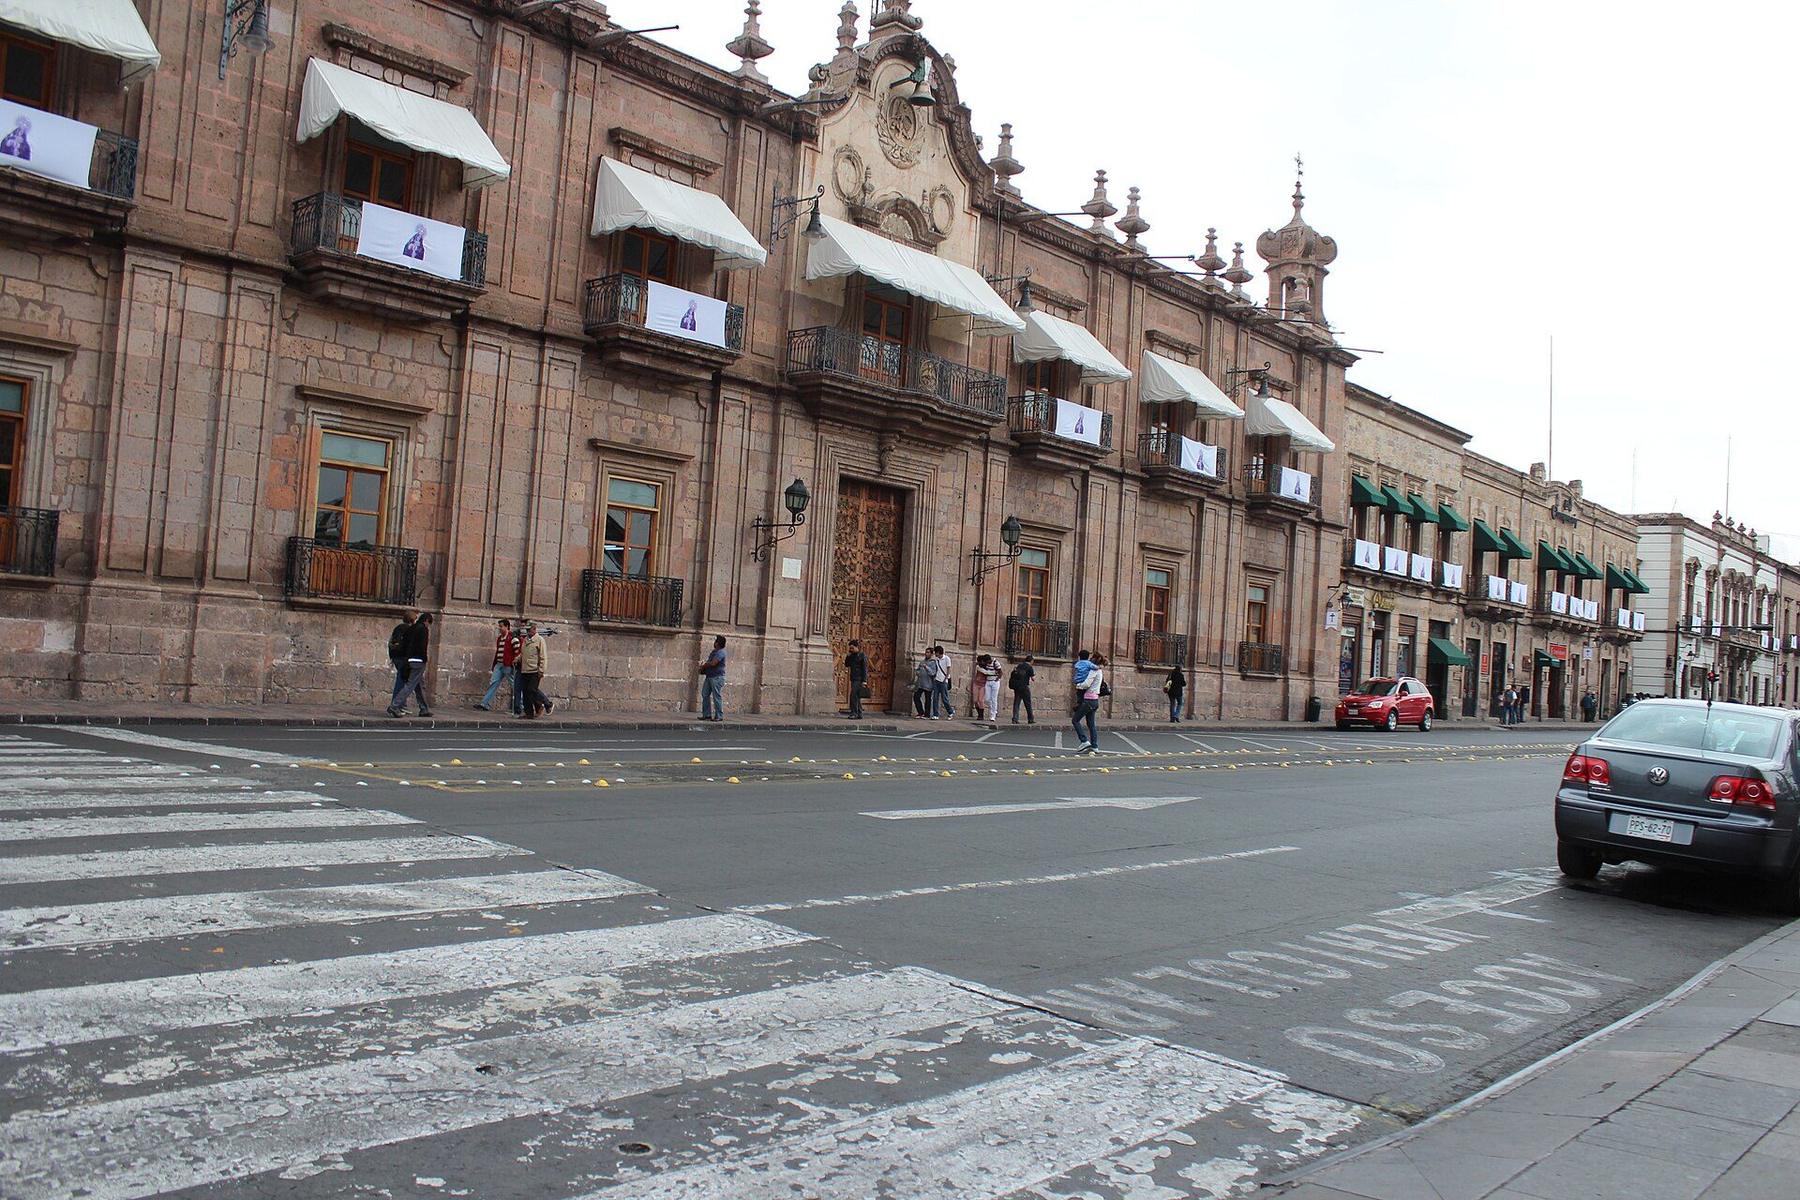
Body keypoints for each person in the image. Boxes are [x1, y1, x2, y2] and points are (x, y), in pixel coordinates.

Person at [387, 613, 433, 717]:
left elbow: (406, 645)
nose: (428, 625)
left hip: (408, 660)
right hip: (418, 660)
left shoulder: (411, 629)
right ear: (426, 620)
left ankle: (424, 708)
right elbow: (422, 646)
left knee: (419, 685)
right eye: (428, 623)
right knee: (410, 685)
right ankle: (394, 706)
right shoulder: (423, 629)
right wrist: (424, 659)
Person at [476, 618, 520, 712]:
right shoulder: (500, 638)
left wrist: (514, 663)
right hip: (499, 664)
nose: (499, 628)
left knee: (514, 685)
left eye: (501, 626)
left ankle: (521, 704)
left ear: (507, 627)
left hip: (508, 665)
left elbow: (517, 652)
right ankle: (484, 703)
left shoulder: (512, 638)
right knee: (493, 683)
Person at [1072, 653, 1107, 753]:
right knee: (1091, 724)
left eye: (1091, 658)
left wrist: (1078, 685)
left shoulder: (1093, 671)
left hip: (1088, 699)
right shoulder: (1100, 671)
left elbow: (1087, 684)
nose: (1090, 660)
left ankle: (1084, 741)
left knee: (1075, 720)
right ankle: (1094, 746)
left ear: (1094, 660)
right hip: (1095, 700)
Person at [516, 621, 548, 718]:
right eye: (526, 630)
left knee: (531, 690)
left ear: (534, 629)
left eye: (529, 630)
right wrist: (517, 659)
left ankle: (544, 704)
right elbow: (523, 653)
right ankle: (529, 713)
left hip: (535, 670)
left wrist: (541, 670)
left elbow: (543, 656)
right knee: (525, 692)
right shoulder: (526, 640)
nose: (527, 631)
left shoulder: (539, 640)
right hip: (525, 669)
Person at [386, 611, 416, 700]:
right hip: (402, 657)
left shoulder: (398, 628)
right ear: (412, 620)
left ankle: (401, 704)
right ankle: (396, 704)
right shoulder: (409, 629)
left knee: (402, 680)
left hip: (395, 656)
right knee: (401, 682)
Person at [698, 635, 727, 721]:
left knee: (716, 696)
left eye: (715, 641)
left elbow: (714, 663)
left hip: (717, 677)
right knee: (705, 694)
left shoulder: (721, 652)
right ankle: (707, 714)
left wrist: (705, 665)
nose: (714, 643)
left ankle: (719, 716)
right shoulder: (714, 652)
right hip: (710, 676)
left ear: (717, 643)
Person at [844, 639, 869, 720]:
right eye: (850, 648)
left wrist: (864, 681)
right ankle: (859, 713)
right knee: (857, 696)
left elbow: (865, 669)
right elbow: (847, 664)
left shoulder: (862, 656)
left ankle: (854, 713)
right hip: (853, 678)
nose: (850, 649)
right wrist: (847, 656)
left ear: (856, 647)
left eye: (852, 648)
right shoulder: (851, 656)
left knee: (853, 696)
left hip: (859, 679)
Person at [976, 654, 1002, 726]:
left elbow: (1000, 671)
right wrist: (994, 672)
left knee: (994, 699)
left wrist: (998, 678)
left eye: (987, 662)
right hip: (988, 681)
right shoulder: (985, 664)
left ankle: (992, 715)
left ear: (989, 660)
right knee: (987, 698)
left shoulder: (995, 662)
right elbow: (984, 670)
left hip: (995, 682)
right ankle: (994, 710)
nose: (986, 663)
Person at [1009, 655, 1036, 724]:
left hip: (1017, 687)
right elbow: (1033, 678)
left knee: (1016, 703)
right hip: (1024, 687)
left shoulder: (1019, 665)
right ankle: (1030, 719)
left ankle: (1015, 719)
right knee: (1028, 703)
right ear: (1031, 661)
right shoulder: (1029, 667)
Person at [914, 648, 939, 718]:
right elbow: (918, 670)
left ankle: (927, 714)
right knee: (916, 697)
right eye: (926, 652)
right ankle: (920, 712)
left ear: (931, 654)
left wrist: (926, 667)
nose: (926, 654)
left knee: (928, 700)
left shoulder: (933, 662)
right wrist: (918, 672)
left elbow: (933, 673)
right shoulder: (922, 661)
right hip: (921, 683)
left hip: (928, 684)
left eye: (928, 652)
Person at [932, 645, 955, 718]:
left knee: (944, 698)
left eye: (936, 652)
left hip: (943, 681)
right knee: (935, 698)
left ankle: (950, 711)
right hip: (937, 680)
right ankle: (935, 714)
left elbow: (948, 669)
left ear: (938, 652)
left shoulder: (947, 659)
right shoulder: (936, 660)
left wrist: (945, 679)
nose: (935, 654)